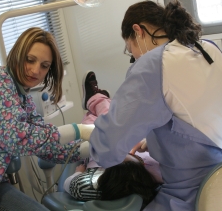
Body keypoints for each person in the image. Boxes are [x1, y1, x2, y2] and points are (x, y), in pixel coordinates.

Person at [80, 0, 222, 211]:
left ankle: (95, 100)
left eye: (130, 51)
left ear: (138, 31)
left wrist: (88, 145)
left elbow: (108, 148)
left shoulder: (151, 65)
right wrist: (161, 136)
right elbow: (209, 113)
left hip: (197, 193)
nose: (134, 57)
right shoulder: (208, 48)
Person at [0, 27, 90, 210]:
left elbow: (50, 148)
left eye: (44, 66)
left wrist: (96, 147)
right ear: (17, 54)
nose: (35, 70)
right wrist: (81, 130)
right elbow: (18, 138)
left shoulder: (23, 100)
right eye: (29, 60)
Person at [63, 72, 163, 209]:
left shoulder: (89, 184)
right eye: (133, 157)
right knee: (108, 118)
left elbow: (69, 183)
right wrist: (151, 145)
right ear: (143, 165)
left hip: (96, 147)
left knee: (95, 121)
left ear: (106, 170)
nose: (123, 151)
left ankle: (95, 99)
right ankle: (97, 101)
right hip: (133, 139)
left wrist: (78, 172)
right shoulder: (156, 176)